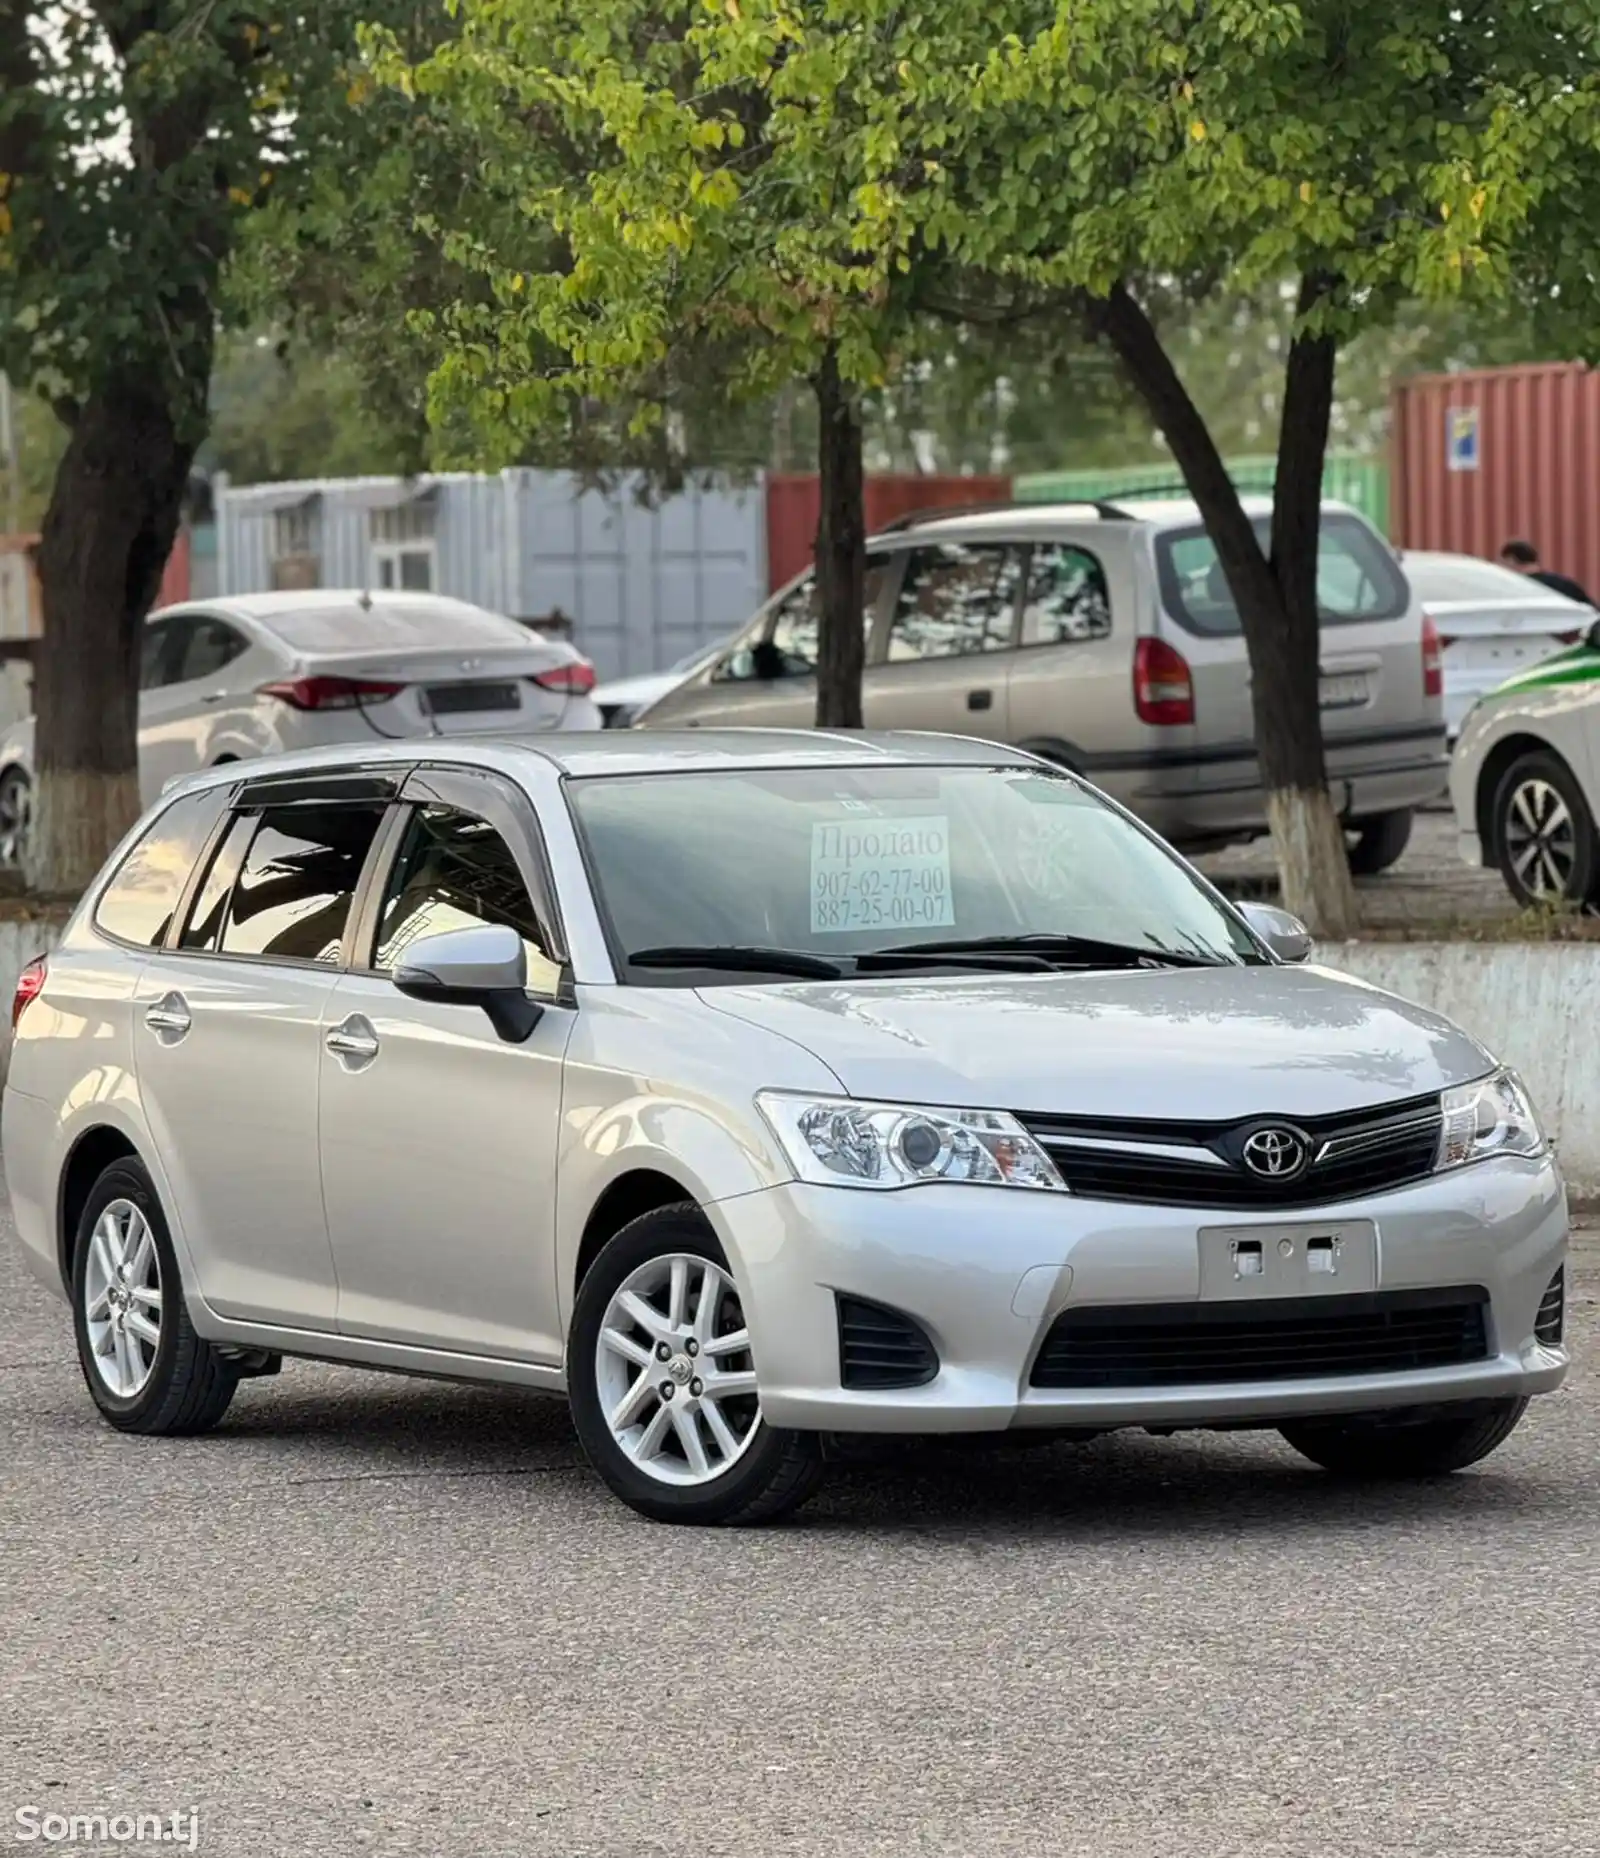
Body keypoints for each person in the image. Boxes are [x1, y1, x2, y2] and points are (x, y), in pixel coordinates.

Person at [1500, 538, 1593, 606]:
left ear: (1510, 560)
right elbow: (1592, 611)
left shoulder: (1515, 589)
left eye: (1502, 563)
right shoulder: (1566, 584)